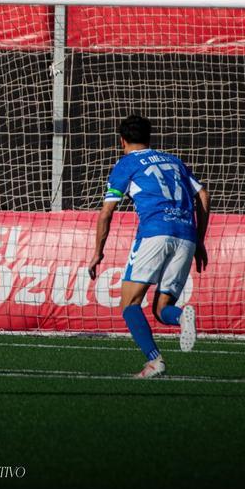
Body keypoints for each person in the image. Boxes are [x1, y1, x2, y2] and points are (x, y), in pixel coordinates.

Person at [87, 115, 209, 379]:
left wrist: (98, 252)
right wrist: (200, 240)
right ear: (150, 138)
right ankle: (180, 317)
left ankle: (155, 361)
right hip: (186, 235)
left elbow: (107, 212)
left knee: (130, 303)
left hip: (155, 233)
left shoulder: (126, 164)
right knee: (160, 309)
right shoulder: (174, 161)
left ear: (122, 141)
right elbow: (203, 194)